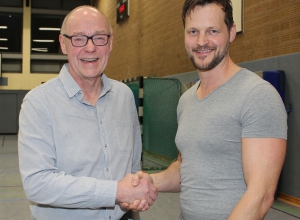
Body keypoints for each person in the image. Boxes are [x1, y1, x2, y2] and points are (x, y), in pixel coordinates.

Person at [124, 0, 287, 219]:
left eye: (212, 31)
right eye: (193, 31)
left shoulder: (257, 96)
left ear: (231, 32)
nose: (201, 41)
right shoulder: (186, 100)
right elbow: (186, 169)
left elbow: (261, 195)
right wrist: (150, 182)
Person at [18, 6, 157, 220]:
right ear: (63, 44)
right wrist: (116, 191)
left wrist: (138, 188)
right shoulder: (38, 103)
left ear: (110, 43)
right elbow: (38, 183)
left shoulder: (124, 96)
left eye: (99, 38)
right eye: (79, 39)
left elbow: (132, 166)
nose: (90, 48)